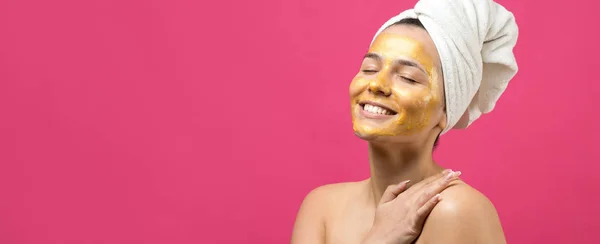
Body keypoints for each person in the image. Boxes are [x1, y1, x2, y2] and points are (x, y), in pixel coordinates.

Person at [291, 0, 519, 243]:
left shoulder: (455, 210)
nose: (377, 85)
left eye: (408, 78)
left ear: (447, 110)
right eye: (369, 68)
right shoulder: (321, 207)